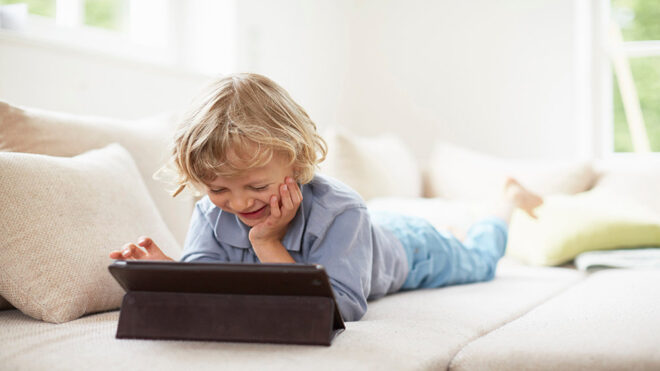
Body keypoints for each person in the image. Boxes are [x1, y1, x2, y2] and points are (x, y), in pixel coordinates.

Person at [109, 73, 543, 321]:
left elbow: (339, 309)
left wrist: (266, 242)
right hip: (373, 232)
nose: (239, 204)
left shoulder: (342, 210)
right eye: (219, 188)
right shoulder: (211, 210)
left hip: (411, 250)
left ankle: (505, 201)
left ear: (296, 164)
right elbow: (208, 283)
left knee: (480, 259)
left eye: (257, 187)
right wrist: (168, 273)